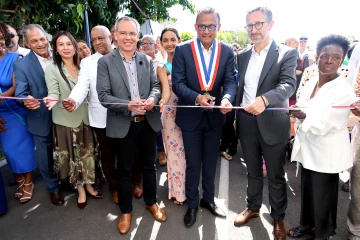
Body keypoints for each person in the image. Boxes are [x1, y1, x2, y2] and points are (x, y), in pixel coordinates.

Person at [96, 16, 166, 235]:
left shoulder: (146, 59)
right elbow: (103, 96)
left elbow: (156, 86)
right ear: (115, 35)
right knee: (124, 170)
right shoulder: (105, 62)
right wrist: (128, 105)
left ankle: (151, 202)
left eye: (132, 33)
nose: (128, 37)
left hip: (147, 123)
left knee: (149, 167)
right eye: (123, 33)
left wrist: (153, 99)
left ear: (137, 36)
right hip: (123, 124)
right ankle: (126, 212)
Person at [234, 7, 297, 240]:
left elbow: (288, 85)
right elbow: (240, 90)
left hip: (273, 124)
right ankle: (252, 207)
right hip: (246, 122)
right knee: (252, 171)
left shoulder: (287, 53)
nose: (253, 30)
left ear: (271, 24)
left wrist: (265, 99)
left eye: (258, 24)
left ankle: (278, 218)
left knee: (276, 175)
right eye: (249, 26)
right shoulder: (241, 56)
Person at [172, 7, 237, 228]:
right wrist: (197, 97)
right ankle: (192, 203)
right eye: (202, 26)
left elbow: (230, 81)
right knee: (193, 164)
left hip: (215, 118)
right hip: (190, 117)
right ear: (195, 27)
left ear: (218, 27)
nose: (206, 30)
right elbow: (178, 83)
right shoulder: (182, 50)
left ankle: (208, 199)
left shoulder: (227, 51)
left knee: (210, 163)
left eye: (211, 26)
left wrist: (227, 98)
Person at [288, 34, 355, 240]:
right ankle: (307, 225)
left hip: (327, 152)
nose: (329, 61)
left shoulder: (344, 90)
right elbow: (303, 102)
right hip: (308, 148)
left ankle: (322, 234)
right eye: (325, 55)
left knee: (323, 196)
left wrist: (304, 115)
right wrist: (297, 111)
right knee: (308, 191)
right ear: (317, 56)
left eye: (336, 57)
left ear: (342, 59)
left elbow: (329, 123)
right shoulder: (312, 80)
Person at [43, 31, 103, 210]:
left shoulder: (84, 65)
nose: (65, 48)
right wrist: (52, 99)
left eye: (68, 44)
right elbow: (53, 92)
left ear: (74, 46)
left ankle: (90, 185)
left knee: (88, 155)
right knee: (72, 157)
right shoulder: (52, 69)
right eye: (60, 44)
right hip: (65, 120)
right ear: (56, 48)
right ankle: (80, 190)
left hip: (87, 117)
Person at [62, 26, 120, 205]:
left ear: (111, 37)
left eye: (100, 38)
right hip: (100, 118)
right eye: (93, 40)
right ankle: (115, 187)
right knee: (108, 156)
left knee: (130, 154)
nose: (96, 43)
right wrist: (73, 100)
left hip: (125, 116)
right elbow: (82, 86)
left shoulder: (123, 55)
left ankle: (135, 182)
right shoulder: (88, 62)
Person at [14, 24, 64, 206]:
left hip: (66, 113)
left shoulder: (61, 53)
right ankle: (53, 189)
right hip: (40, 116)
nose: (41, 43)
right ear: (27, 43)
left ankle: (70, 180)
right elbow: (20, 93)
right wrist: (25, 99)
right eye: (34, 41)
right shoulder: (22, 65)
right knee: (46, 156)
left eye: (42, 39)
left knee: (68, 148)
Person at [0, 22, 36, 204]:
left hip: (16, 110)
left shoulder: (16, 58)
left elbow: (16, 86)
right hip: (0, 113)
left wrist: (1, 96)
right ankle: (19, 180)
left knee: (23, 148)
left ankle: (28, 182)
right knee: (8, 150)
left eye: (0, 38)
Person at [156, 28, 186, 205]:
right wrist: (162, 101)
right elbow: (166, 92)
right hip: (169, 114)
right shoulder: (162, 68)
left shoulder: (188, 64)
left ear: (179, 39)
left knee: (189, 154)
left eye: (173, 39)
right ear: (161, 43)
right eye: (165, 40)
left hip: (189, 112)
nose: (170, 43)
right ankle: (178, 192)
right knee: (175, 154)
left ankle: (189, 187)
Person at [141, 34, 167, 166]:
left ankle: (161, 152)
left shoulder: (161, 61)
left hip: (160, 98)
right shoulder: (139, 60)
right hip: (144, 99)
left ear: (156, 46)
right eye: (143, 43)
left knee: (158, 127)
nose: (146, 45)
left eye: (149, 43)